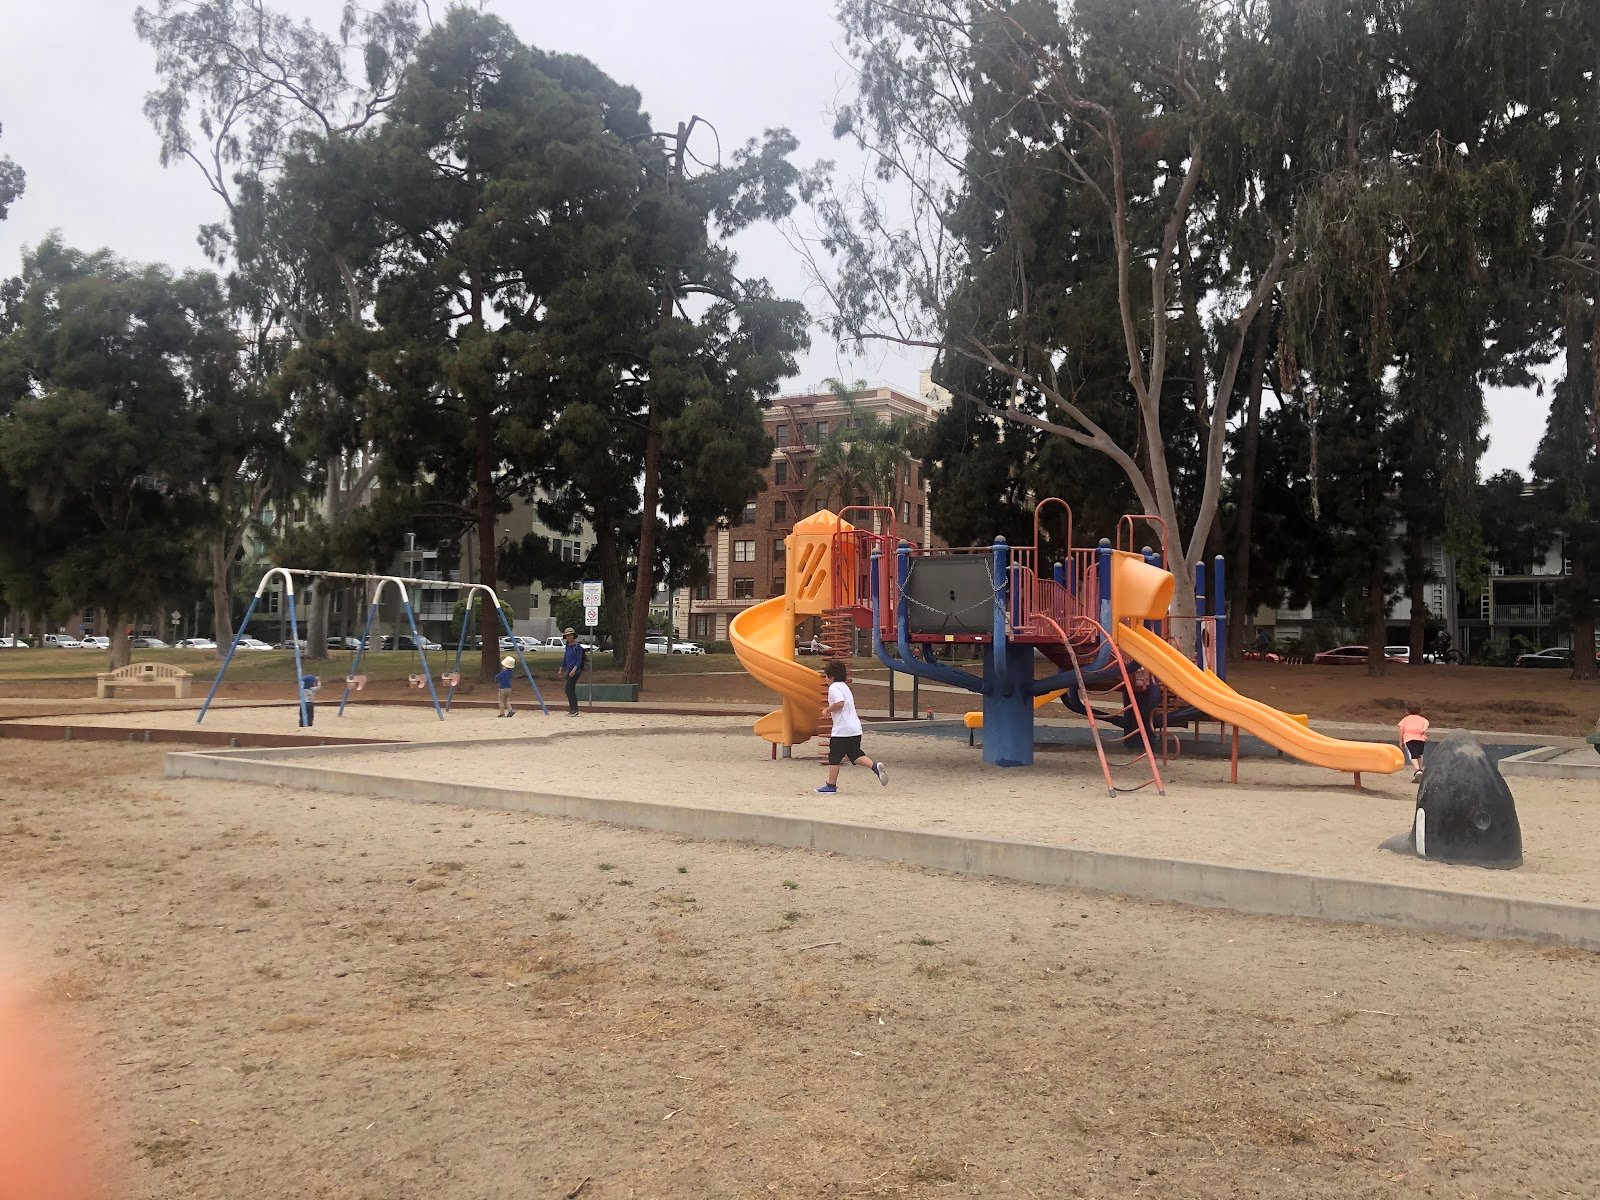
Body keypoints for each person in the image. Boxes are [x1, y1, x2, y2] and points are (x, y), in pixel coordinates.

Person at [817, 660, 888, 794]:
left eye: (826, 676)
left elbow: (840, 703)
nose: (825, 679)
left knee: (834, 758)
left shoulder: (834, 687)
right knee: (855, 754)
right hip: (855, 728)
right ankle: (874, 767)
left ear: (831, 676)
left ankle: (831, 786)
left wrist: (827, 710)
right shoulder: (845, 687)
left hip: (842, 730)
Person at [1399, 700, 1429, 783]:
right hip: (1421, 739)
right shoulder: (1422, 719)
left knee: (1412, 755)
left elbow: (1401, 728)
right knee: (1420, 755)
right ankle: (1420, 769)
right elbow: (1426, 722)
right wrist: (1424, 729)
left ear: (1407, 711)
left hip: (1409, 739)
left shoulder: (1405, 719)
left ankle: (1417, 770)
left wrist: (1401, 741)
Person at [560, 627, 586, 716]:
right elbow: (565, 658)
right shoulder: (568, 646)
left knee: (568, 689)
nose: (569, 637)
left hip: (575, 671)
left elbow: (579, 660)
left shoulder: (577, 646)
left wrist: (574, 670)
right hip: (569, 670)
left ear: (574, 636)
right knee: (570, 690)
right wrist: (561, 668)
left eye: (570, 635)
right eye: (567, 635)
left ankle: (574, 709)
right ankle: (573, 709)